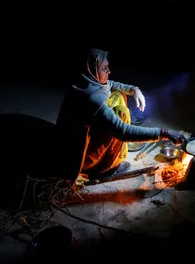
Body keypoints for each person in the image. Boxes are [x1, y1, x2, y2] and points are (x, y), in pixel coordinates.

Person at [55, 48, 185, 184]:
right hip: (81, 159)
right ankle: (106, 168)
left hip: (69, 147)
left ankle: (109, 158)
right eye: (105, 68)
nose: (109, 71)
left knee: (117, 94)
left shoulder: (83, 83)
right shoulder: (91, 98)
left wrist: (134, 90)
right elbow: (123, 131)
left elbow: (110, 84)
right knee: (121, 114)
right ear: (92, 69)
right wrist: (164, 133)